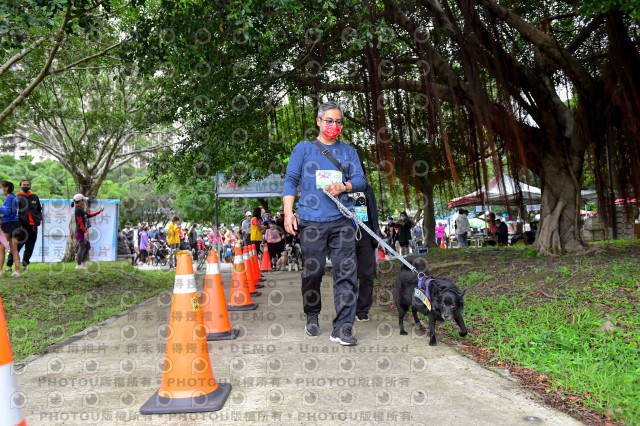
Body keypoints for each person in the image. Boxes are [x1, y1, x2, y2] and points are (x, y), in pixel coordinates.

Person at [283, 100, 366, 346]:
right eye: (329, 120)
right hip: (311, 221)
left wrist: (345, 186)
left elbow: (360, 180)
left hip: (342, 220)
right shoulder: (303, 149)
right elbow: (290, 180)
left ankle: (343, 327)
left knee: (347, 273)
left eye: (338, 122)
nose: (333, 125)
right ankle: (312, 314)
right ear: (318, 121)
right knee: (313, 271)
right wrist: (289, 213)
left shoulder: (348, 152)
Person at [351, 181, 381, 322]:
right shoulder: (334, 184)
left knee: (367, 274)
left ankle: (362, 309)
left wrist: (376, 235)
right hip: (343, 235)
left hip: (365, 234)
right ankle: (347, 309)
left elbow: (373, 212)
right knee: (347, 275)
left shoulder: (366, 188)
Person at [7, 179, 42, 272]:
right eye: (24, 184)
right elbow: (14, 213)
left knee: (30, 247)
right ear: (20, 186)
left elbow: (39, 209)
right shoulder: (16, 198)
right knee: (17, 246)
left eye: (27, 184)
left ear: (30, 186)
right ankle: (9, 266)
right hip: (21, 228)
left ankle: (25, 265)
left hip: (33, 227)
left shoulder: (34, 197)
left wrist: (39, 219)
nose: (26, 186)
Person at [72, 194, 104, 269]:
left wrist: (99, 211)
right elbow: (79, 221)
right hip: (80, 231)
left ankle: (83, 263)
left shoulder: (80, 209)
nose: (84, 201)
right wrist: (85, 231)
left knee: (87, 246)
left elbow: (88, 215)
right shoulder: (77, 210)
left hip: (82, 231)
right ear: (80, 200)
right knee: (82, 246)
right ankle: (79, 264)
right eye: (83, 199)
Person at [0, 181, 22, 277]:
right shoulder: (14, 198)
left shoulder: (9, 199)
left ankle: (0, 271)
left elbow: (7, 212)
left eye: (0, 187)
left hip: (8, 224)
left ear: (6, 188)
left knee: (1, 248)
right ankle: (17, 271)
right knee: (14, 249)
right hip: (15, 224)